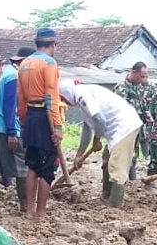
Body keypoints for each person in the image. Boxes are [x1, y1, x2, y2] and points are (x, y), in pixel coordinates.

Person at [58, 79, 141, 208]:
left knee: (117, 167)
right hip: (115, 131)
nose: (64, 102)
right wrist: (79, 154)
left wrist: (97, 140)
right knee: (107, 162)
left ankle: (114, 206)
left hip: (125, 127)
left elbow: (100, 120)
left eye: (63, 99)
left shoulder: (82, 95)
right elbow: (87, 127)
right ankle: (106, 197)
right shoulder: (82, 97)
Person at [17, 28, 63, 218]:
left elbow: (21, 98)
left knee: (33, 165)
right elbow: (51, 95)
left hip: (30, 116)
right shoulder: (49, 63)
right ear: (53, 45)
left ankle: (29, 211)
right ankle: (41, 212)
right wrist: (57, 126)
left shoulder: (24, 64)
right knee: (47, 167)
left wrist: (23, 120)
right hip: (45, 117)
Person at [0, 47, 34, 215]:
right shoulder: (13, 77)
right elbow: (10, 106)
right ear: (24, 62)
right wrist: (12, 132)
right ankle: (25, 205)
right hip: (6, 126)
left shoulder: (7, 74)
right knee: (21, 165)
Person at [114, 61, 154, 180]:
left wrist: (147, 114)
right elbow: (119, 110)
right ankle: (124, 179)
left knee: (133, 153)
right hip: (125, 129)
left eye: (145, 76)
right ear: (134, 72)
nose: (143, 79)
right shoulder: (121, 88)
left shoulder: (139, 87)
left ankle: (131, 179)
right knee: (124, 155)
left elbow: (142, 105)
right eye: (141, 76)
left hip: (136, 128)